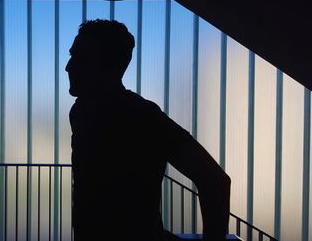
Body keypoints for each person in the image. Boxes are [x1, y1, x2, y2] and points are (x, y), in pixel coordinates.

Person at [66, 19, 231, 241]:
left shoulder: (141, 117)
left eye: (80, 58)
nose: (69, 66)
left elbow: (215, 181)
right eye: (72, 56)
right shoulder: (81, 111)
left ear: (109, 66)